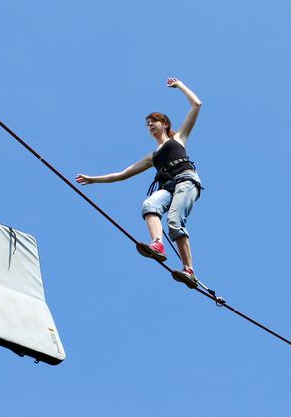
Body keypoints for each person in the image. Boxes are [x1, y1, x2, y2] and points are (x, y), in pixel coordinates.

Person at [76, 78, 205, 289]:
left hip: (186, 181)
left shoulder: (179, 138)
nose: (150, 125)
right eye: (147, 124)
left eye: (153, 121)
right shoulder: (151, 157)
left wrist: (180, 86)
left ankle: (189, 270)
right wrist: (93, 180)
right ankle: (158, 245)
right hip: (169, 187)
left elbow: (197, 105)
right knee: (149, 205)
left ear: (165, 124)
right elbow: (123, 174)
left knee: (174, 221)